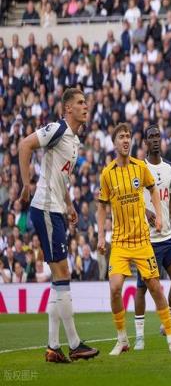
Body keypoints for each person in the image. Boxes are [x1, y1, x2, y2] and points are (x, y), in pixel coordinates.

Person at [18, 87, 99, 363]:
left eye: (86, 102)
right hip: (45, 208)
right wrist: (26, 184)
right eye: (80, 103)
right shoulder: (57, 129)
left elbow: (61, 177)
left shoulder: (74, 141)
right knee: (63, 272)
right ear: (68, 109)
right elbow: (24, 145)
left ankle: (53, 347)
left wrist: (70, 204)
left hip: (56, 209)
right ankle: (74, 344)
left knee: (59, 278)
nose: (86, 106)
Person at [97, 123, 171, 356]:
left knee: (155, 287)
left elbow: (153, 190)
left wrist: (159, 216)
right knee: (115, 288)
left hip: (143, 240)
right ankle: (122, 339)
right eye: (121, 137)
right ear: (114, 143)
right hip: (120, 242)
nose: (126, 140)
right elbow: (102, 206)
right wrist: (101, 236)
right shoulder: (107, 173)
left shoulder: (140, 167)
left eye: (128, 136)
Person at [133, 124, 171, 350]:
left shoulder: (169, 168)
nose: (155, 139)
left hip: (166, 237)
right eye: (151, 137)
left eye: (157, 136)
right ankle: (139, 336)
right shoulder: (139, 168)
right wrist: (146, 212)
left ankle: (168, 323)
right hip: (147, 239)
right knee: (142, 288)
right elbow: (132, 199)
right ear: (145, 142)